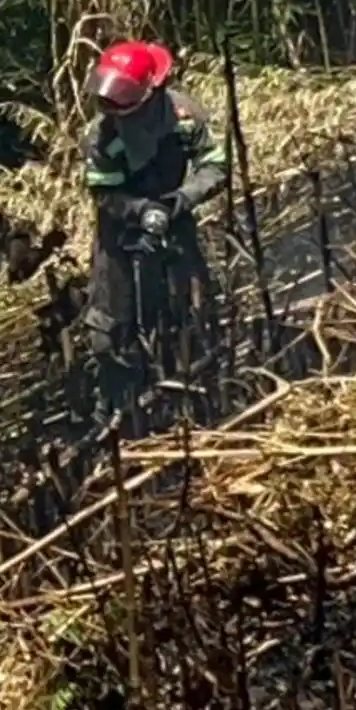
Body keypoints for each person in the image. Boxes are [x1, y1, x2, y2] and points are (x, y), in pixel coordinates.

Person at [80, 39, 228, 433]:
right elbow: (103, 191)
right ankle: (115, 409)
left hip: (175, 215)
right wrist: (139, 212)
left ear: (152, 91)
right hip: (119, 229)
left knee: (192, 307)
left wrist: (180, 201)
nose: (113, 110)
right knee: (108, 326)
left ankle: (195, 393)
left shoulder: (184, 116)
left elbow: (214, 167)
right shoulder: (100, 137)